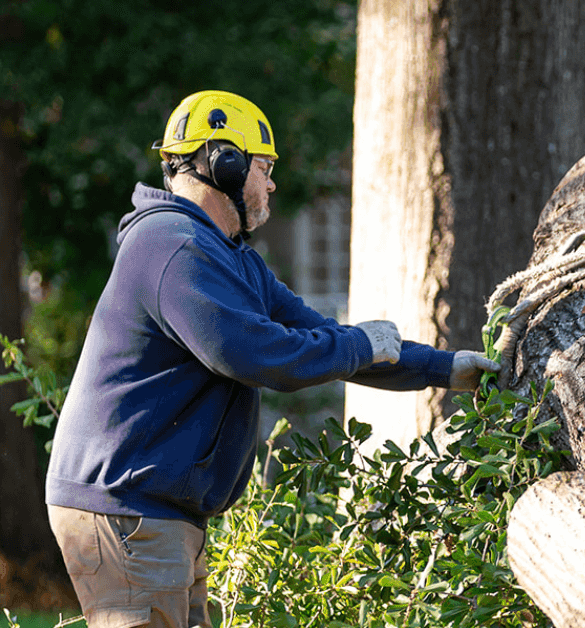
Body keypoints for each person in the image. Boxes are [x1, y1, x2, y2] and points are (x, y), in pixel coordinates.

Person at [43, 90, 499, 628]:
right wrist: (359, 345)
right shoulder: (171, 245)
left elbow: (319, 336)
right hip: (125, 507)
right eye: (264, 167)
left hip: (154, 508)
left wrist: (446, 368)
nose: (272, 184)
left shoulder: (227, 257)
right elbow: (253, 353)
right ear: (225, 165)